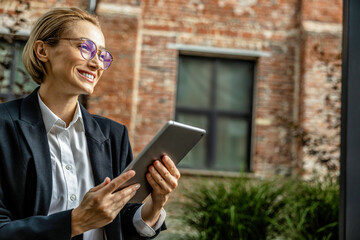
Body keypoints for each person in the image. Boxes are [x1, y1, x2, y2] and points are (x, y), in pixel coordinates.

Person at [0, 7, 180, 240]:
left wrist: (156, 203)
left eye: (103, 56)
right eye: (85, 48)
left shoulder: (113, 135)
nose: (97, 64)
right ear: (43, 50)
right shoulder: (4, 127)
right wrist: (74, 222)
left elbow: (120, 223)